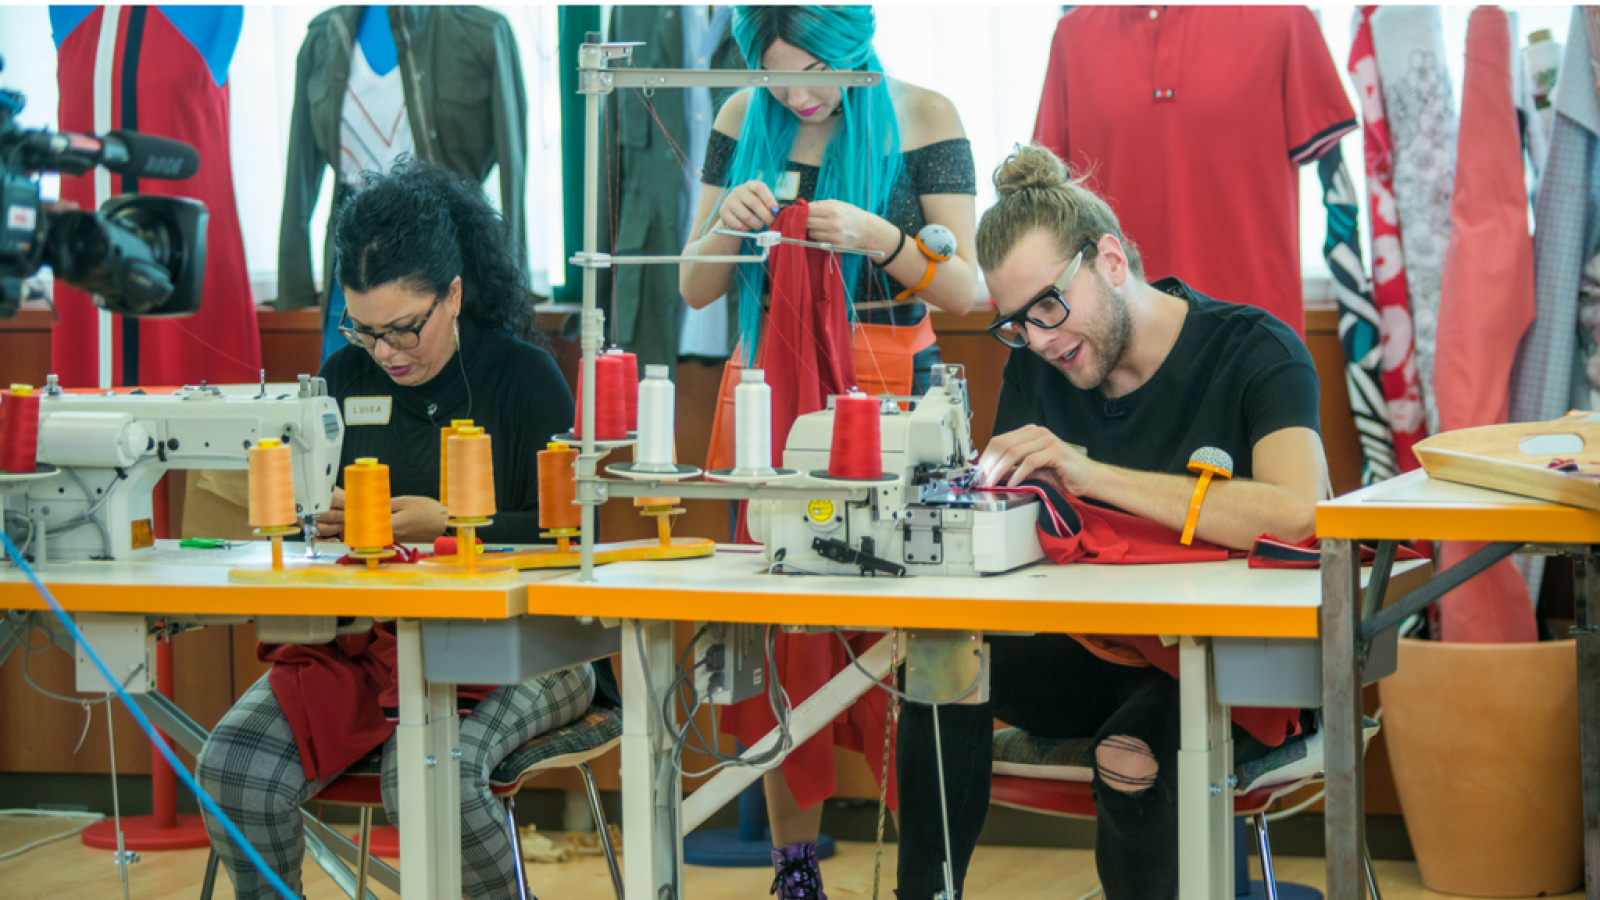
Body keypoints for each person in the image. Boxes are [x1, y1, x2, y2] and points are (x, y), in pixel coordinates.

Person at [895, 145, 1330, 900]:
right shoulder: (1043, 363)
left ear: (1110, 260)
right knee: (938, 669)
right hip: (1095, 650)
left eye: (1048, 309)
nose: (1036, 340)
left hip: (1229, 662)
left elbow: (1296, 510)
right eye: (1015, 324)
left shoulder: (1254, 351)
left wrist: (1094, 475)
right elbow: (1014, 517)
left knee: (1134, 752)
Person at [197, 159, 611, 900]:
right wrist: (321, 526)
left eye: (404, 329)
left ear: (453, 295)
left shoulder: (524, 379)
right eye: (364, 330)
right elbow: (318, 526)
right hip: (376, 642)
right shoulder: (346, 379)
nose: (385, 352)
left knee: (431, 775)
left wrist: (450, 523)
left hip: (529, 647)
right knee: (234, 765)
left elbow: (575, 536)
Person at [676, 8, 979, 899]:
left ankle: (922, 871)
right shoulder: (741, 118)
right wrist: (728, 223)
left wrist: (885, 242)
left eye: (817, 69)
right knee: (784, 642)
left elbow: (968, 288)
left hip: (891, 388)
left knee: (909, 632)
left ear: (855, 48)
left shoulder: (924, 114)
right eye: (777, 74)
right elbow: (697, 285)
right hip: (769, 392)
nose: (799, 92)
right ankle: (793, 872)